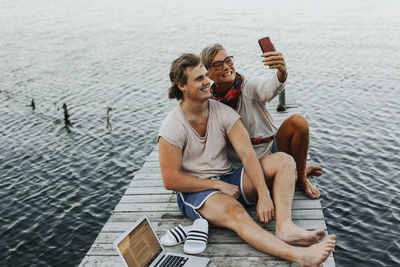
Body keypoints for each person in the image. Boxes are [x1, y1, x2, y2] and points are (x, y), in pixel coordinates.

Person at [158, 53, 335, 266]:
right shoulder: (172, 126)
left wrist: (263, 195)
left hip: (229, 178)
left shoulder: (222, 111)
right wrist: (217, 185)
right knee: (237, 213)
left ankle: (285, 227)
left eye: (206, 75)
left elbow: (247, 154)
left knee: (284, 160)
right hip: (198, 191)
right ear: (181, 86)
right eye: (199, 79)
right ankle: (301, 256)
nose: (207, 82)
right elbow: (171, 180)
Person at [200, 43, 323, 199]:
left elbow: (269, 87)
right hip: (243, 162)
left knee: (299, 122)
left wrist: (282, 71)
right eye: (218, 65)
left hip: (271, 147)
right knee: (265, 188)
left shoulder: (249, 86)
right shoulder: (209, 103)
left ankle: (302, 179)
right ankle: (299, 172)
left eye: (228, 60)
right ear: (208, 74)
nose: (226, 67)